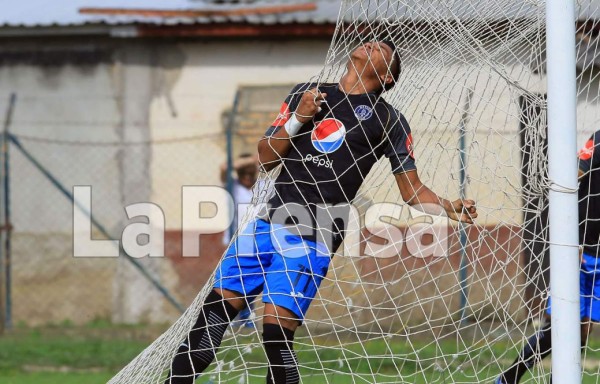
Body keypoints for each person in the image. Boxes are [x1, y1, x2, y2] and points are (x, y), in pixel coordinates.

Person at [165, 40, 477, 384]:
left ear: (388, 76)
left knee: (275, 335)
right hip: (268, 222)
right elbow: (267, 157)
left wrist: (447, 206)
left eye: (383, 50)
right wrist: (300, 117)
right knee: (211, 320)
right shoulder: (307, 94)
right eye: (370, 41)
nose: (372, 43)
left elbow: (412, 190)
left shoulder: (389, 120)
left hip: (315, 231)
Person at [495, 130, 600, 384]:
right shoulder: (597, 140)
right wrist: (568, 239)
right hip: (582, 247)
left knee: (582, 331)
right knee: (562, 326)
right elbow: (575, 172)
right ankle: (509, 377)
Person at [220, 153, 260, 327]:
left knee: (252, 279)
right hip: (238, 239)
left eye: (252, 172)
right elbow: (223, 168)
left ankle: (247, 315)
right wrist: (249, 161)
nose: (248, 176)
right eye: (244, 172)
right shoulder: (233, 187)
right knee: (236, 278)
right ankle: (237, 316)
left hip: (259, 239)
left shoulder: (263, 186)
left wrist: (255, 165)